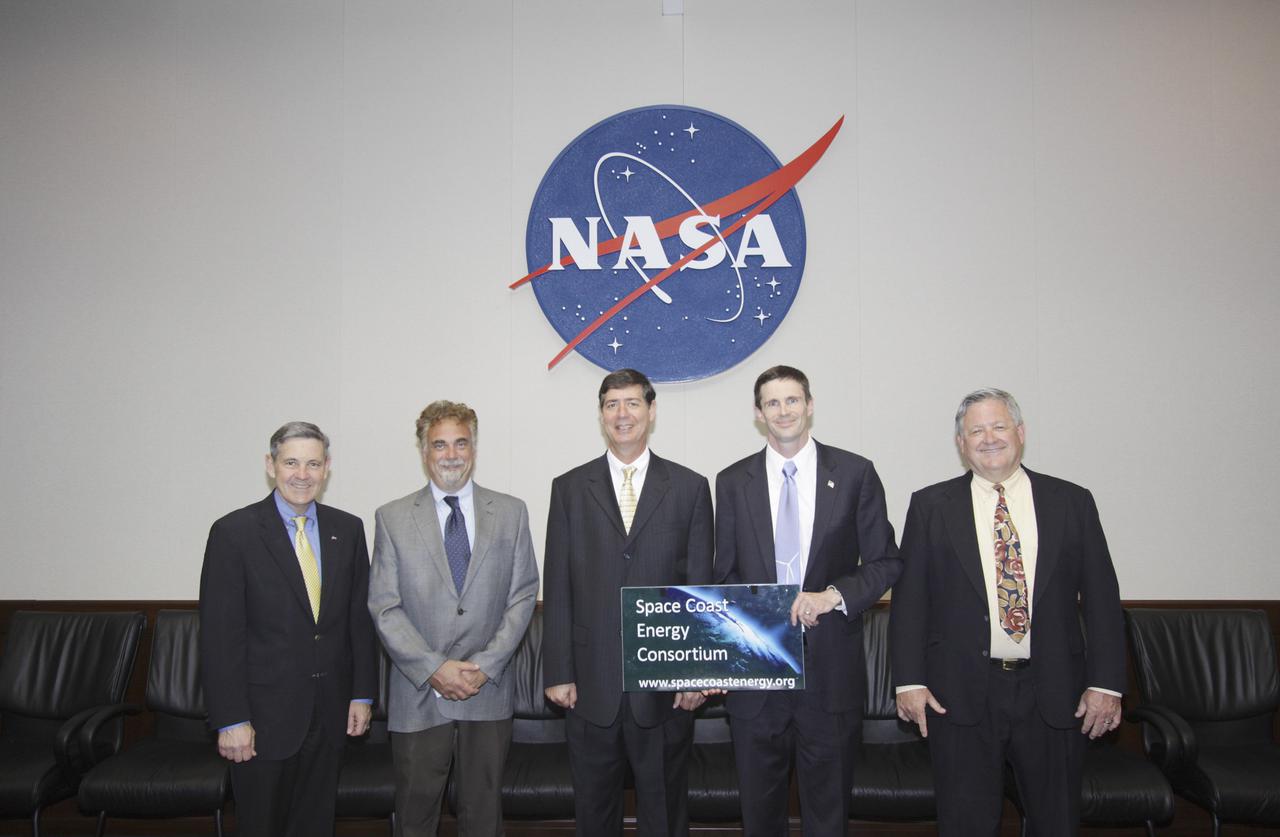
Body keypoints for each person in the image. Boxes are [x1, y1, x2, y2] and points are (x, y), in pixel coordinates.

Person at [890, 388, 1125, 835]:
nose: (989, 438)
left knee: (1056, 822)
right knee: (966, 824)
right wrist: (909, 682)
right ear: (961, 443)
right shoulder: (930, 506)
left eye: (998, 426)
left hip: (1055, 692)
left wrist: (1106, 684)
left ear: (1020, 432)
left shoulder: (1071, 502)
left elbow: (1102, 599)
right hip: (959, 695)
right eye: (976, 430)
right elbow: (910, 602)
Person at [714, 365, 902, 836]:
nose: (783, 411)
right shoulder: (732, 481)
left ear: (810, 405)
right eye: (772, 403)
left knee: (828, 816)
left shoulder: (856, 473)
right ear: (759, 413)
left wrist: (833, 596)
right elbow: (724, 575)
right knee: (760, 817)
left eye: (792, 400)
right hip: (756, 677)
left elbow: (885, 562)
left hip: (831, 676)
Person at [541, 368, 714, 837]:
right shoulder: (569, 488)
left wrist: (696, 673)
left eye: (633, 403)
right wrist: (558, 671)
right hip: (589, 685)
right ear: (601, 414)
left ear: (651, 411)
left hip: (665, 688)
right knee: (594, 815)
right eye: (612, 404)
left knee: (665, 814)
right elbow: (558, 584)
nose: (622, 414)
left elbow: (700, 588)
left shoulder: (690, 487)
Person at [368, 400, 538, 837]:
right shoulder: (392, 518)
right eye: (440, 444)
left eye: (460, 443)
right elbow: (384, 607)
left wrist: (483, 666)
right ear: (424, 450)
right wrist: (435, 668)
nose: (451, 454)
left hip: (488, 690)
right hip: (419, 693)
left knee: (483, 817)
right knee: (415, 817)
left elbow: (522, 596)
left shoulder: (511, 513)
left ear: (474, 449)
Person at [199, 421, 377, 837]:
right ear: (271, 465)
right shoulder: (233, 533)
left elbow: (358, 620)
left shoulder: (347, 529)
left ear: (327, 468)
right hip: (261, 722)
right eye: (291, 462)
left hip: (330, 714)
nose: (302, 474)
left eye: (313, 464)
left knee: (316, 825)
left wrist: (362, 694)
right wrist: (231, 719)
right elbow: (220, 638)